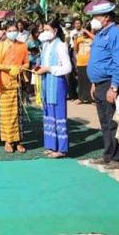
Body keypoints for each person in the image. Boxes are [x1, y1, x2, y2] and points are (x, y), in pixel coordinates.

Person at [86, 0, 119, 169]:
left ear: (106, 17)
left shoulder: (116, 33)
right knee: (104, 122)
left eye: (96, 16)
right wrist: (94, 83)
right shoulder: (101, 33)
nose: (93, 19)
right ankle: (108, 155)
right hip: (99, 84)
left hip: (110, 84)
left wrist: (114, 87)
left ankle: (118, 157)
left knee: (113, 121)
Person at [36, 19, 72, 159]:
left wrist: (49, 69)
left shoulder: (60, 45)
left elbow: (67, 67)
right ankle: (52, 146)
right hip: (46, 83)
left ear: (55, 31)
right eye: (43, 30)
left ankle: (61, 149)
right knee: (49, 114)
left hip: (57, 84)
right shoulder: (46, 45)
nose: (44, 32)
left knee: (59, 116)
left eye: (47, 30)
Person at [0, 21, 28, 153]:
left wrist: (20, 68)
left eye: (15, 30)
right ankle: (8, 141)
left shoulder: (22, 45)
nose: (13, 32)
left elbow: (26, 64)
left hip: (17, 83)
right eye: (10, 30)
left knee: (18, 114)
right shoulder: (0, 45)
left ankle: (19, 141)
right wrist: (10, 68)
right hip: (4, 83)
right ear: (6, 31)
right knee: (6, 114)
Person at [73, 24, 94, 104]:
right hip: (80, 62)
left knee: (89, 81)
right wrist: (75, 39)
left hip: (89, 63)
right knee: (81, 81)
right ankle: (80, 98)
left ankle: (90, 98)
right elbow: (75, 49)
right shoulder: (79, 38)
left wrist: (88, 33)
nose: (84, 33)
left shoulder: (92, 39)